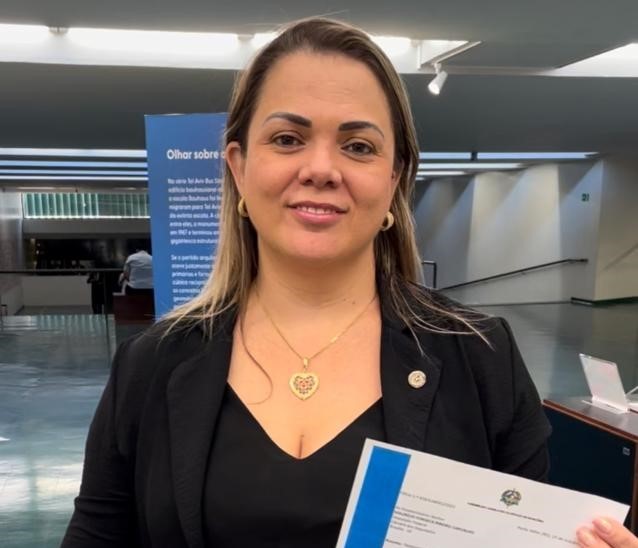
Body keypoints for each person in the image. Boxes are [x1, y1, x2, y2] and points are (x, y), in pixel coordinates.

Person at [61, 17, 638, 548]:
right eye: (287, 139)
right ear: (238, 166)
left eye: (358, 146)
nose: (321, 168)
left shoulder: (479, 355)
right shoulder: (152, 364)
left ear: (394, 178)